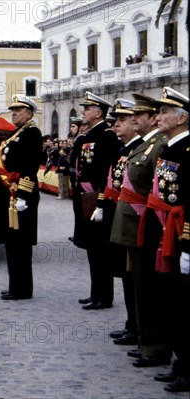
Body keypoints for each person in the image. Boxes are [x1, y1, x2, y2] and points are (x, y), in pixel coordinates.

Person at [110, 93, 171, 367]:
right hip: (135, 225)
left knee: (149, 289)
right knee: (139, 286)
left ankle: (153, 344)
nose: (134, 119)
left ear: (153, 118)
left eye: (139, 115)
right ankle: (145, 339)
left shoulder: (158, 145)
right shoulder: (146, 145)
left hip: (146, 224)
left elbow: (156, 190)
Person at [137, 87, 189, 392]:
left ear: (181, 118)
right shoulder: (169, 148)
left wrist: (188, 246)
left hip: (180, 235)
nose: (160, 117)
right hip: (165, 232)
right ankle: (179, 362)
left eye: (166, 113)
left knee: (184, 303)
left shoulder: (186, 150)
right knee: (172, 301)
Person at [92, 99, 142, 345]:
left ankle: (137, 326)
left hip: (133, 221)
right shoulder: (124, 150)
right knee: (126, 275)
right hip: (118, 216)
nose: (116, 124)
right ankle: (131, 324)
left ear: (135, 123)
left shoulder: (139, 148)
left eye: (122, 120)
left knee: (133, 277)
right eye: (116, 120)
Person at [0, 95, 43, 300]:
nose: (14, 113)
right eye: (13, 110)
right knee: (12, 244)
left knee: (20, 244)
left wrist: (22, 195)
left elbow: (30, 166)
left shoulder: (32, 133)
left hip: (19, 198)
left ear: (29, 113)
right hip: (11, 195)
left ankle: (22, 289)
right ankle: (15, 286)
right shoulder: (17, 133)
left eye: (18, 110)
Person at [73, 92, 122, 310]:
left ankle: (104, 296)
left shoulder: (107, 135)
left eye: (87, 109)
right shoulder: (91, 134)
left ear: (99, 112)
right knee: (93, 248)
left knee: (101, 249)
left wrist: (101, 201)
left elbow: (106, 173)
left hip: (97, 199)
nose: (83, 111)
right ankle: (96, 292)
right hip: (87, 197)